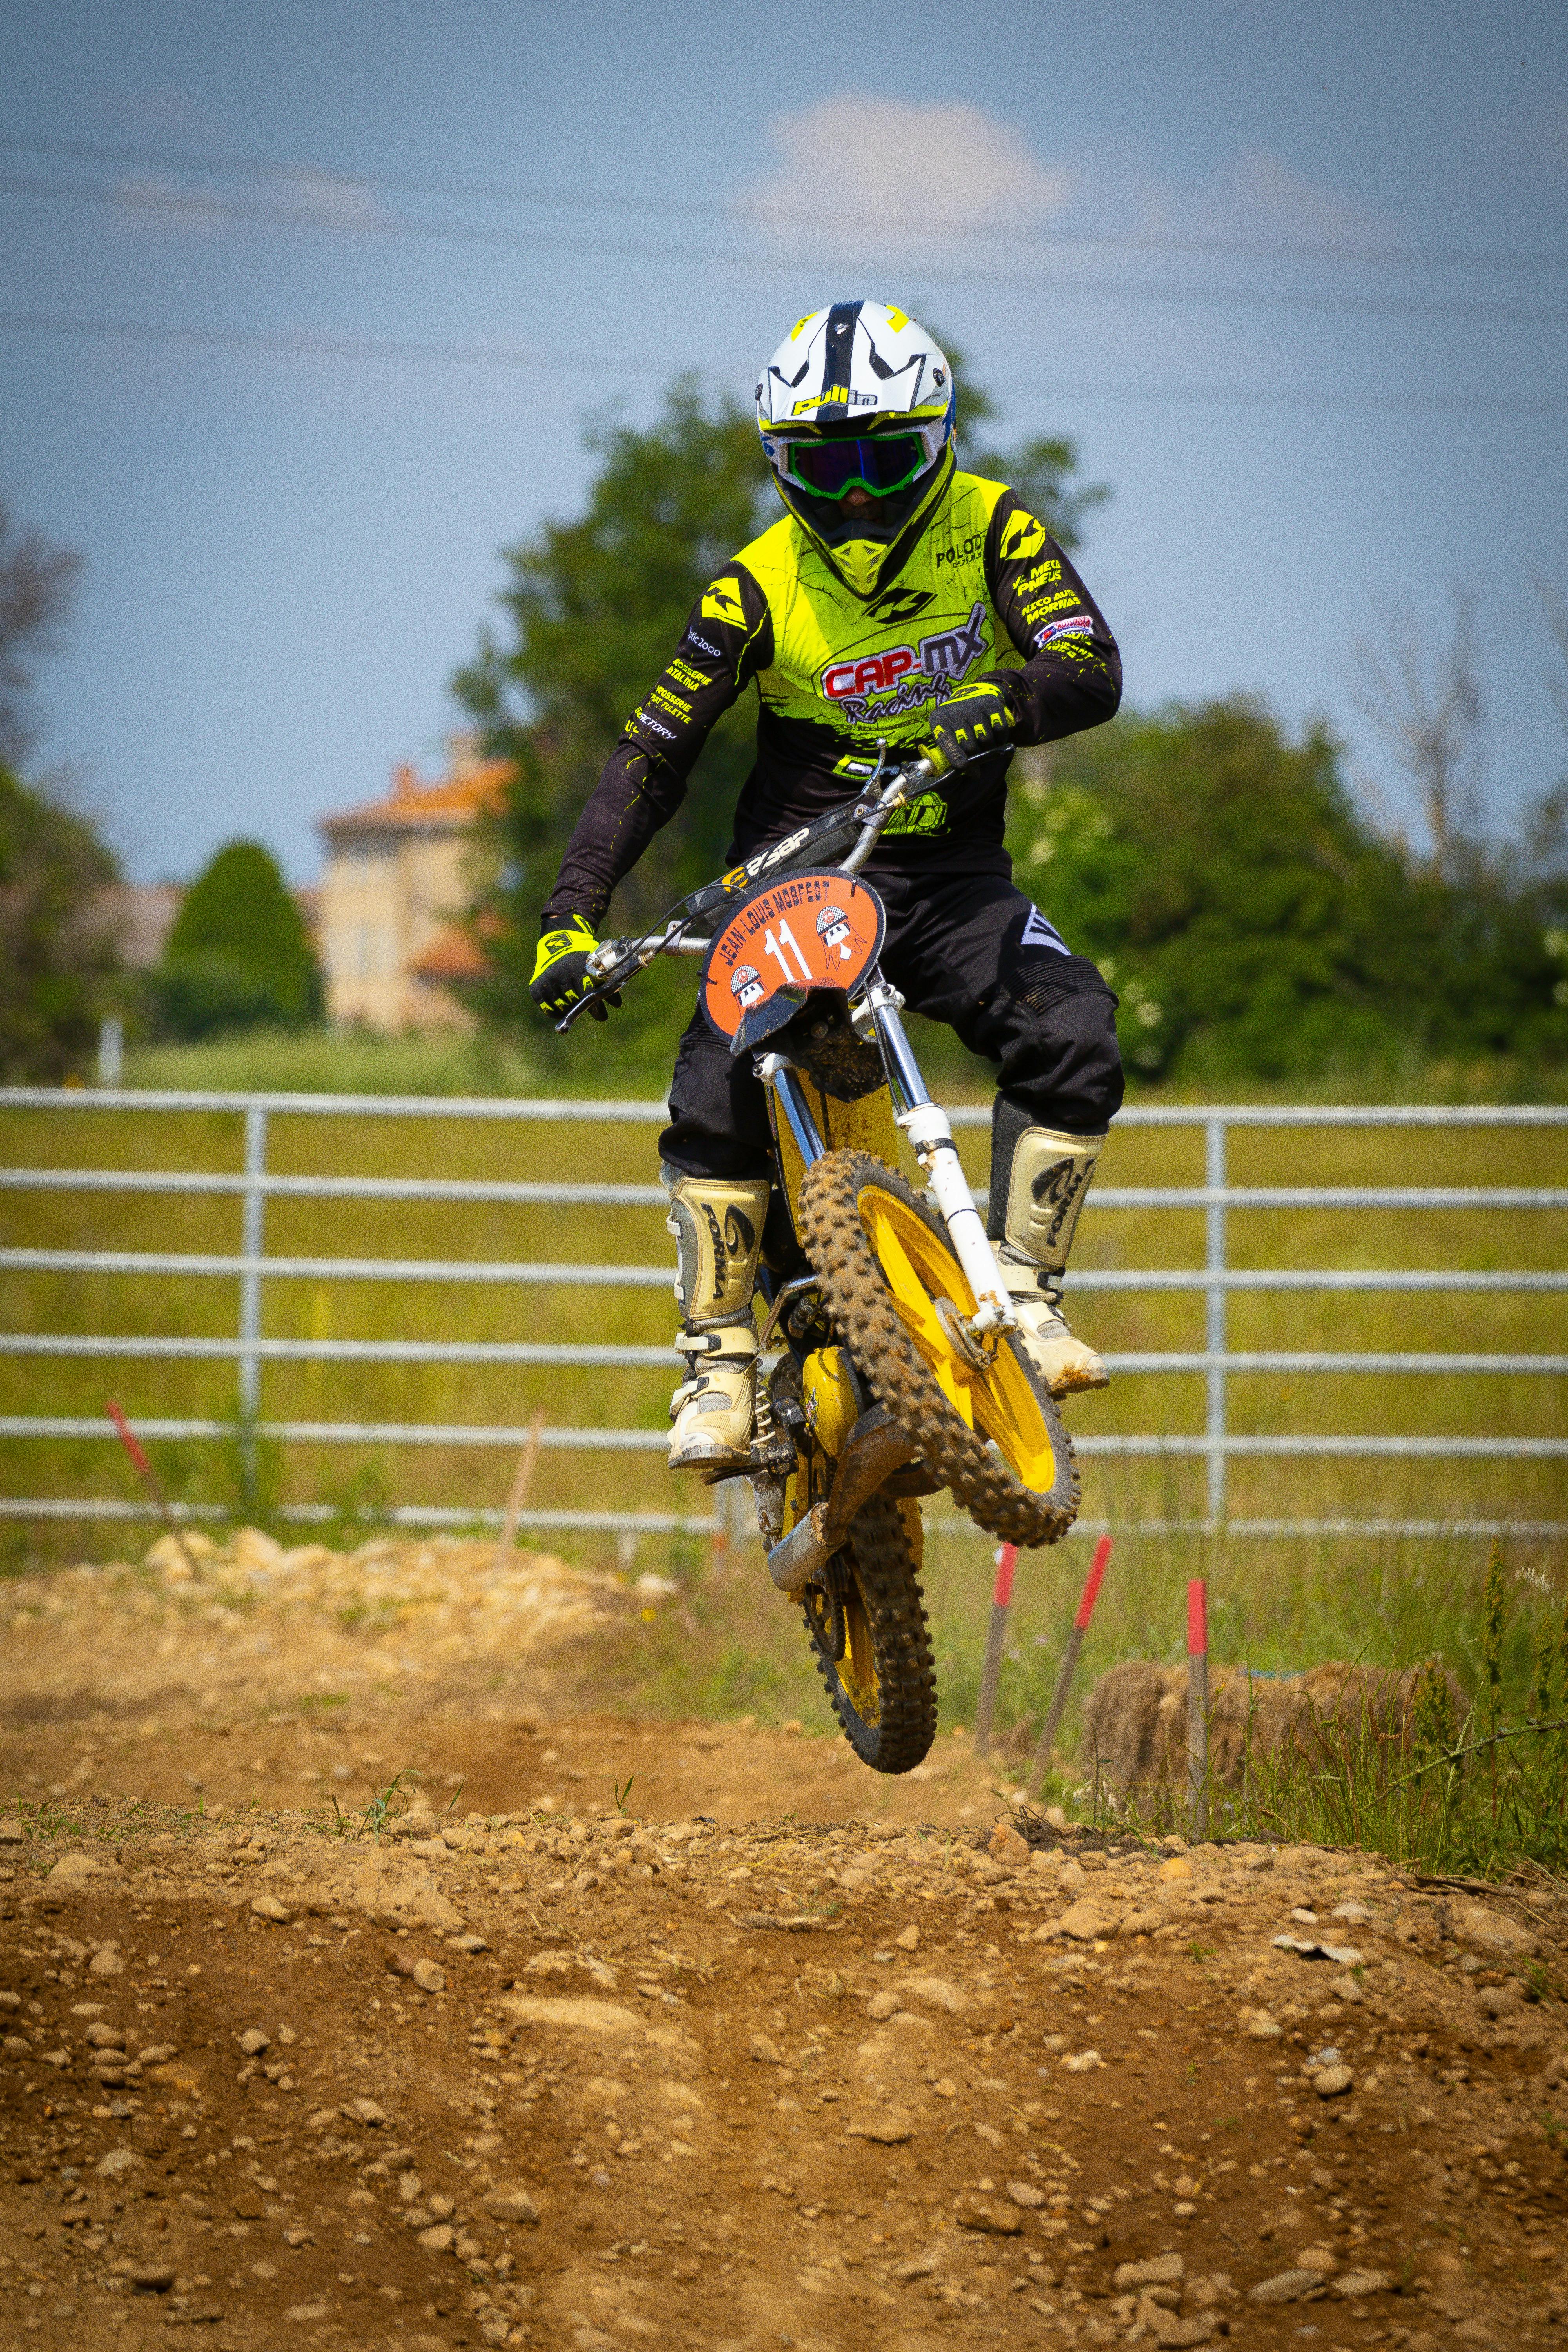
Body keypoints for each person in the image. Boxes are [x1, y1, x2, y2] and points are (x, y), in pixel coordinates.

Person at [530, 301, 1124, 1471]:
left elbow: (1088, 663)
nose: (854, 500)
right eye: (823, 470)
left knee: (1078, 1027)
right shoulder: (755, 584)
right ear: (779, 467)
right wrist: (568, 921)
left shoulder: (994, 528)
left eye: (883, 462)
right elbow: (652, 757)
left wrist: (1004, 700)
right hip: (797, 879)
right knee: (713, 1081)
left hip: (952, 877)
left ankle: (1027, 1292)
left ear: (940, 440)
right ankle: (717, 1365)